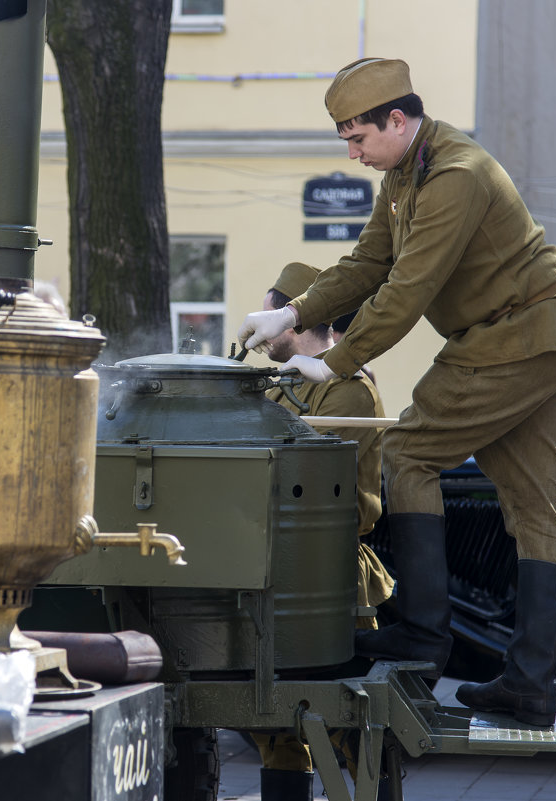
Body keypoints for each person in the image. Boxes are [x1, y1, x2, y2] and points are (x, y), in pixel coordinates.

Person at [238, 58, 556, 728]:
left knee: (406, 453)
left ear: (396, 121)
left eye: (357, 137)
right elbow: (367, 263)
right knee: (534, 508)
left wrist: (338, 359)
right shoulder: (407, 172)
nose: (351, 152)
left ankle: (423, 637)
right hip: (539, 338)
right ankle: (529, 684)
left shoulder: (454, 176)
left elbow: (407, 287)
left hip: (514, 337)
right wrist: (291, 315)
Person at [250, 262, 393, 801]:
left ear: (301, 320)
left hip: (331, 573)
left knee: (351, 726)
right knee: (274, 729)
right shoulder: (281, 385)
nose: (263, 328)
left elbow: (296, 465)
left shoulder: (349, 391)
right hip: (277, 567)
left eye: (272, 314)